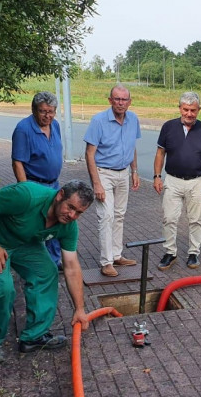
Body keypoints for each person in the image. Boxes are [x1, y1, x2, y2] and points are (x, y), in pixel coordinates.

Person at [0, 180, 94, 364]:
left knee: (47, 272)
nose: (72, 215)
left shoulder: (69, 226)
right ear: (60, 195)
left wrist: (80, 309)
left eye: (79, 212)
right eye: (70, 207)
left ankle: (34, 336)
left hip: (21, 240)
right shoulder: (27, 196)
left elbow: (71, 266)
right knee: (1, 289)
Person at [153, 91, 201, 270]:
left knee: (196, 219)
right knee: (169, 218)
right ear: (180, 108)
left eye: (193, 110)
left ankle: (193, 253)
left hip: (196, 181)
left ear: (199, 110)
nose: (189, 114)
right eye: (186, 109)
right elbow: (160, 153)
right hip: (173, 180)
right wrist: (157, 176)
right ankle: (170, 253)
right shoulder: (168, 127)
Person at [84, 84, 141, 277]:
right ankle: (106, 261)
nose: (120, 103)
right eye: (117, 99)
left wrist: (134, 171)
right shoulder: (99, 121)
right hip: (104, 173)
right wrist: (97, 183)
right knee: (106, 216)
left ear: (129, 102)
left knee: (119, 214)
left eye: (124, 99)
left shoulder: (133, 119)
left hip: (123, 172)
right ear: (110, 100)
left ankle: (117, 255)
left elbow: (132, 146)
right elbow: (89, 154)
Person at [11, 91, 64, 269]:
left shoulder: (55, 125)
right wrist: (26, 191)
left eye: (51, 111)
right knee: (37, 227)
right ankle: (38, 265)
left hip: (53, 185)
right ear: (34, 110)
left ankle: (54, 262)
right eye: (43, 111)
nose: (47, 116)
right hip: (34, 184)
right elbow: (18, 162)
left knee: (55, 223)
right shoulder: (23, 129)